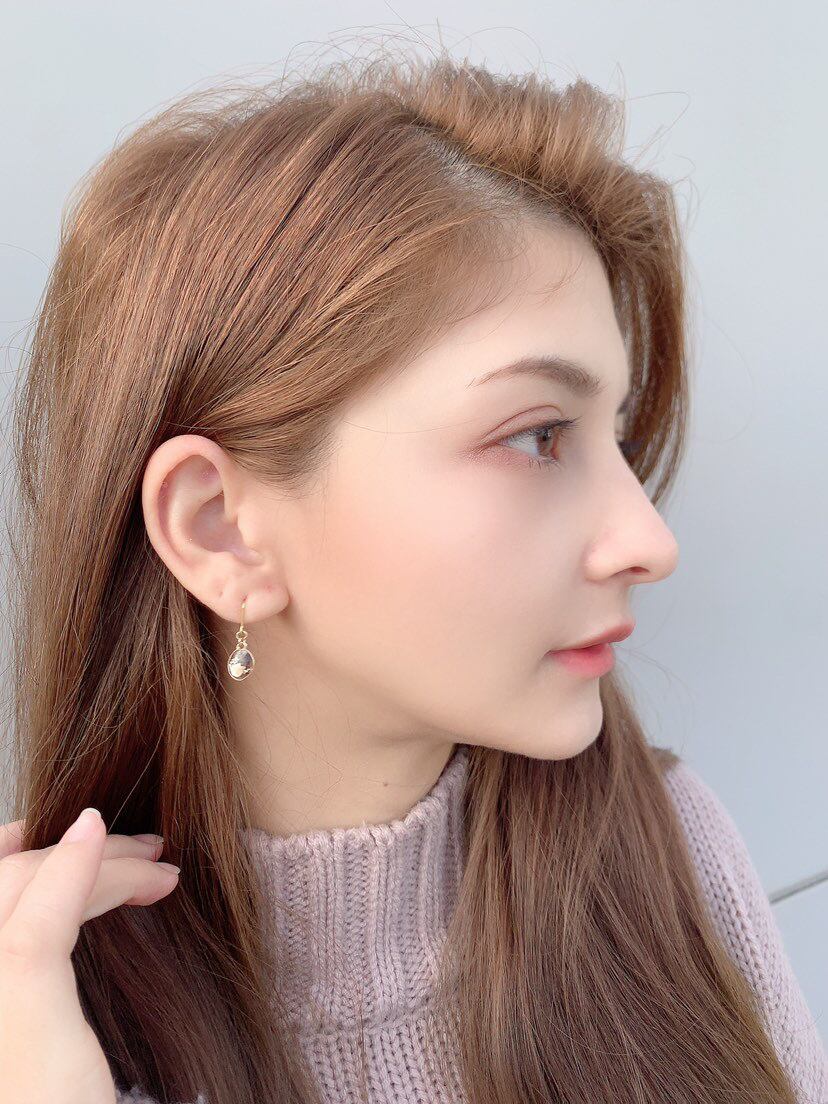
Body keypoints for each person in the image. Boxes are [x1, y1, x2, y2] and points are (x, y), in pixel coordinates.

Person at [1, 47, 825, 1104]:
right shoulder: (51, 1032)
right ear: (220, 532)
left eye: (616, 433)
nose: (648, 540)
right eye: (537, 436)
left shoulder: (670, 859)